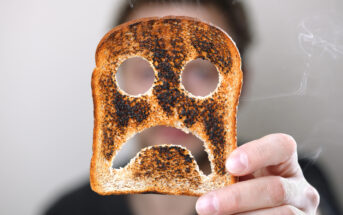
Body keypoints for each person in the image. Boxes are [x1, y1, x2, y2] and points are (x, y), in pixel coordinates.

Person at [44, 0, 341, 214]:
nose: (171, 103)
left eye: (201, 71)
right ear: (114, 83)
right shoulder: (67, 209)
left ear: (239, 85)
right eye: (146, 72)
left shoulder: (290, 182)